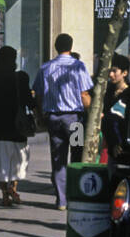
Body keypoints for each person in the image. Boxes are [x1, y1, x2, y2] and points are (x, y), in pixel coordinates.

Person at [33, 33, 93, 211]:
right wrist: (92, 113)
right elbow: (84, 94)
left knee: (57, 157)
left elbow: (38, 93)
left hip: (54, 118)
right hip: (74, 118)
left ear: (55, 46)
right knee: (76, 155)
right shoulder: (78, 66)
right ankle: (75, 194)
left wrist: (40, 113)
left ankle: (61, 200)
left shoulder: (46, 67)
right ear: (71, 46)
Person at [0, 46, 32, 207]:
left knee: (1, 162)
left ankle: (5, 193)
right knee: (17, 161)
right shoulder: (20, 78)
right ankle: (13, 187)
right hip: (17, 129)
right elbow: (28, 101)